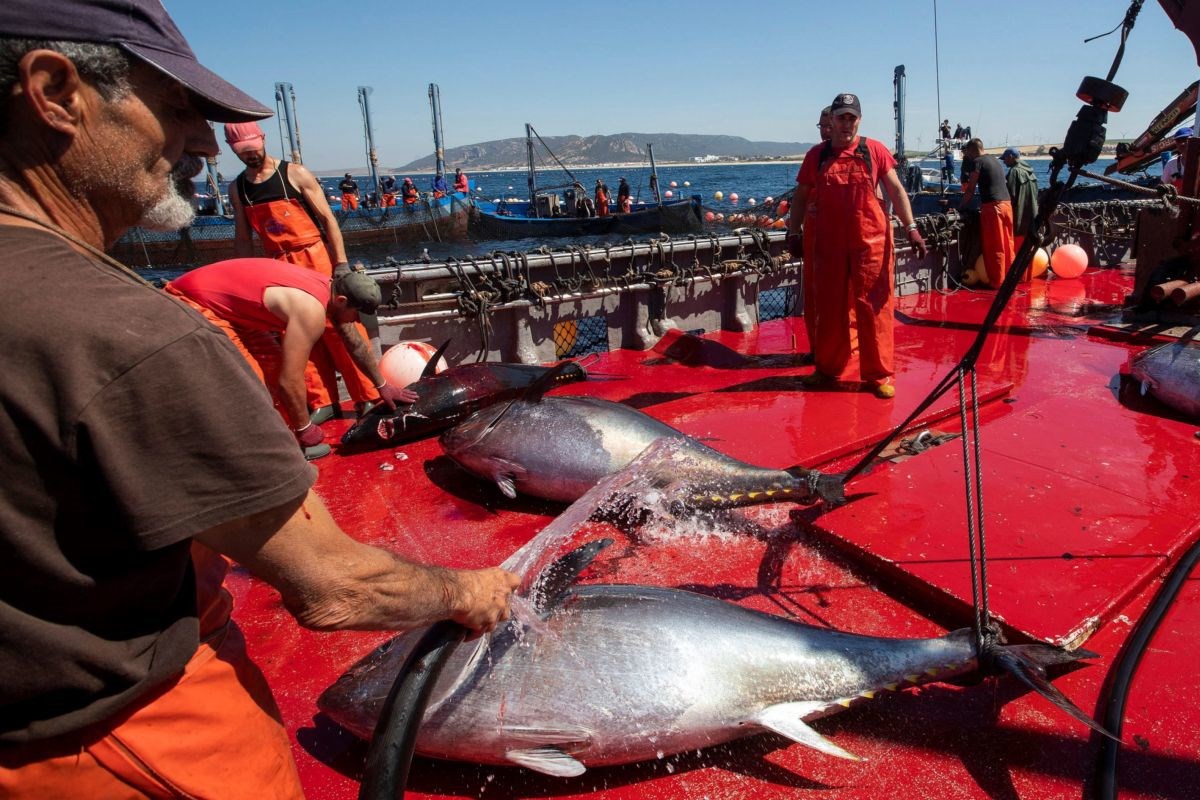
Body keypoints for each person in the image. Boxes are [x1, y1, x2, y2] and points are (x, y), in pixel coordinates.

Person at [0, 3, 520, 797]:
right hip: (117, 744)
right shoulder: (132, 335)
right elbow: (333, 588)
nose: (201, 144)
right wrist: (467, 590)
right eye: (175, 107)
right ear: (54, 91)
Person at [166, 258, 418, 459]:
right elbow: (291, 380)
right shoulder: (311, 311)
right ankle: (258, 453)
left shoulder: (330, 288)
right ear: (342, 301)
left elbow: (354, 342)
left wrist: (382, 385)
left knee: (273, 373)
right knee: (250, 384)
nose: (355, 320)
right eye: (355, 313)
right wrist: (304, 428)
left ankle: (278, 439)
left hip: (234, 308)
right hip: (196, 303)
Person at [224, 121, 380, 422]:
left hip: (314, 258)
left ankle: (367, 396)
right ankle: (322, 401)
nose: (251, 155)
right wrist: (241, 277)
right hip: (277, 265)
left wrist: (341, 265)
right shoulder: (238, 188)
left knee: (340, 329)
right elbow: (243, 237)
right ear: (234, 150)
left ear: (263, 139)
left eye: (253, 148)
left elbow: (327, 220)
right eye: (243, 152)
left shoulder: (294, 174)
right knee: (295, 334)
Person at [789, 92, 927, 400]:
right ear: (832, 120)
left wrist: (912, 228)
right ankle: (827, 368)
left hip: (871, 244)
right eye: (841, 118)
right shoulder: (817, 155)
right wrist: (794, 232)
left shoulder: (874, 150)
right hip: (829, 244)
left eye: (851, 118)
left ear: (858, 120)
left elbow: (896, 189)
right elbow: (800, 196)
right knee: (830, 307)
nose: (846, 124)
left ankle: (879, 376)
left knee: (874, 307)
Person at [960, 138, 1014, 288]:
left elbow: (970, 189)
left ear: (972, 150)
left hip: (993, 207)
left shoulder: (977, 162)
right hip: (1007, 205)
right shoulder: (995, 160)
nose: (968, 156)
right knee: (1008, 243)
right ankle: (1012, 277)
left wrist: (961, 207)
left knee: (994, 245)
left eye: (968, 152)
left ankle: (997, 282)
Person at [1001, 147, 1039, 248]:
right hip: (1033, 216)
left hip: (1020, 219)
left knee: (1017, 247)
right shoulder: (1030, 171)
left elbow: (1009, 196)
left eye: (1004, 158)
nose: (1004, 162)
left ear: (1010, 157)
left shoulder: (1014, 171)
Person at [1162, 127, 1192, 192]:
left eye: (1185, 139)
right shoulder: (1171, 164)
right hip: (1179, 201)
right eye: (1178, 140)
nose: (1182, 143)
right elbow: (1162, 187)